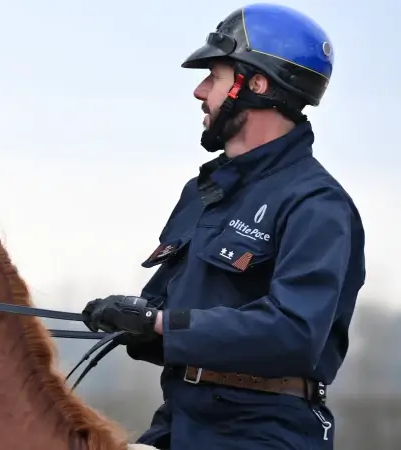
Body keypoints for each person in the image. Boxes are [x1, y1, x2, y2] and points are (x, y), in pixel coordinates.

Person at [81, 4, 365, 450]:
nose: (199, 91)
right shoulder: (202, 192)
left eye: (213, 77)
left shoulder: (317, 204)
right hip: (180, 420)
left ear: (257, 84)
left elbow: (292, 334)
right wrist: (129, 318)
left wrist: (157, 323)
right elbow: (171, 317)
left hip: (264, 433)